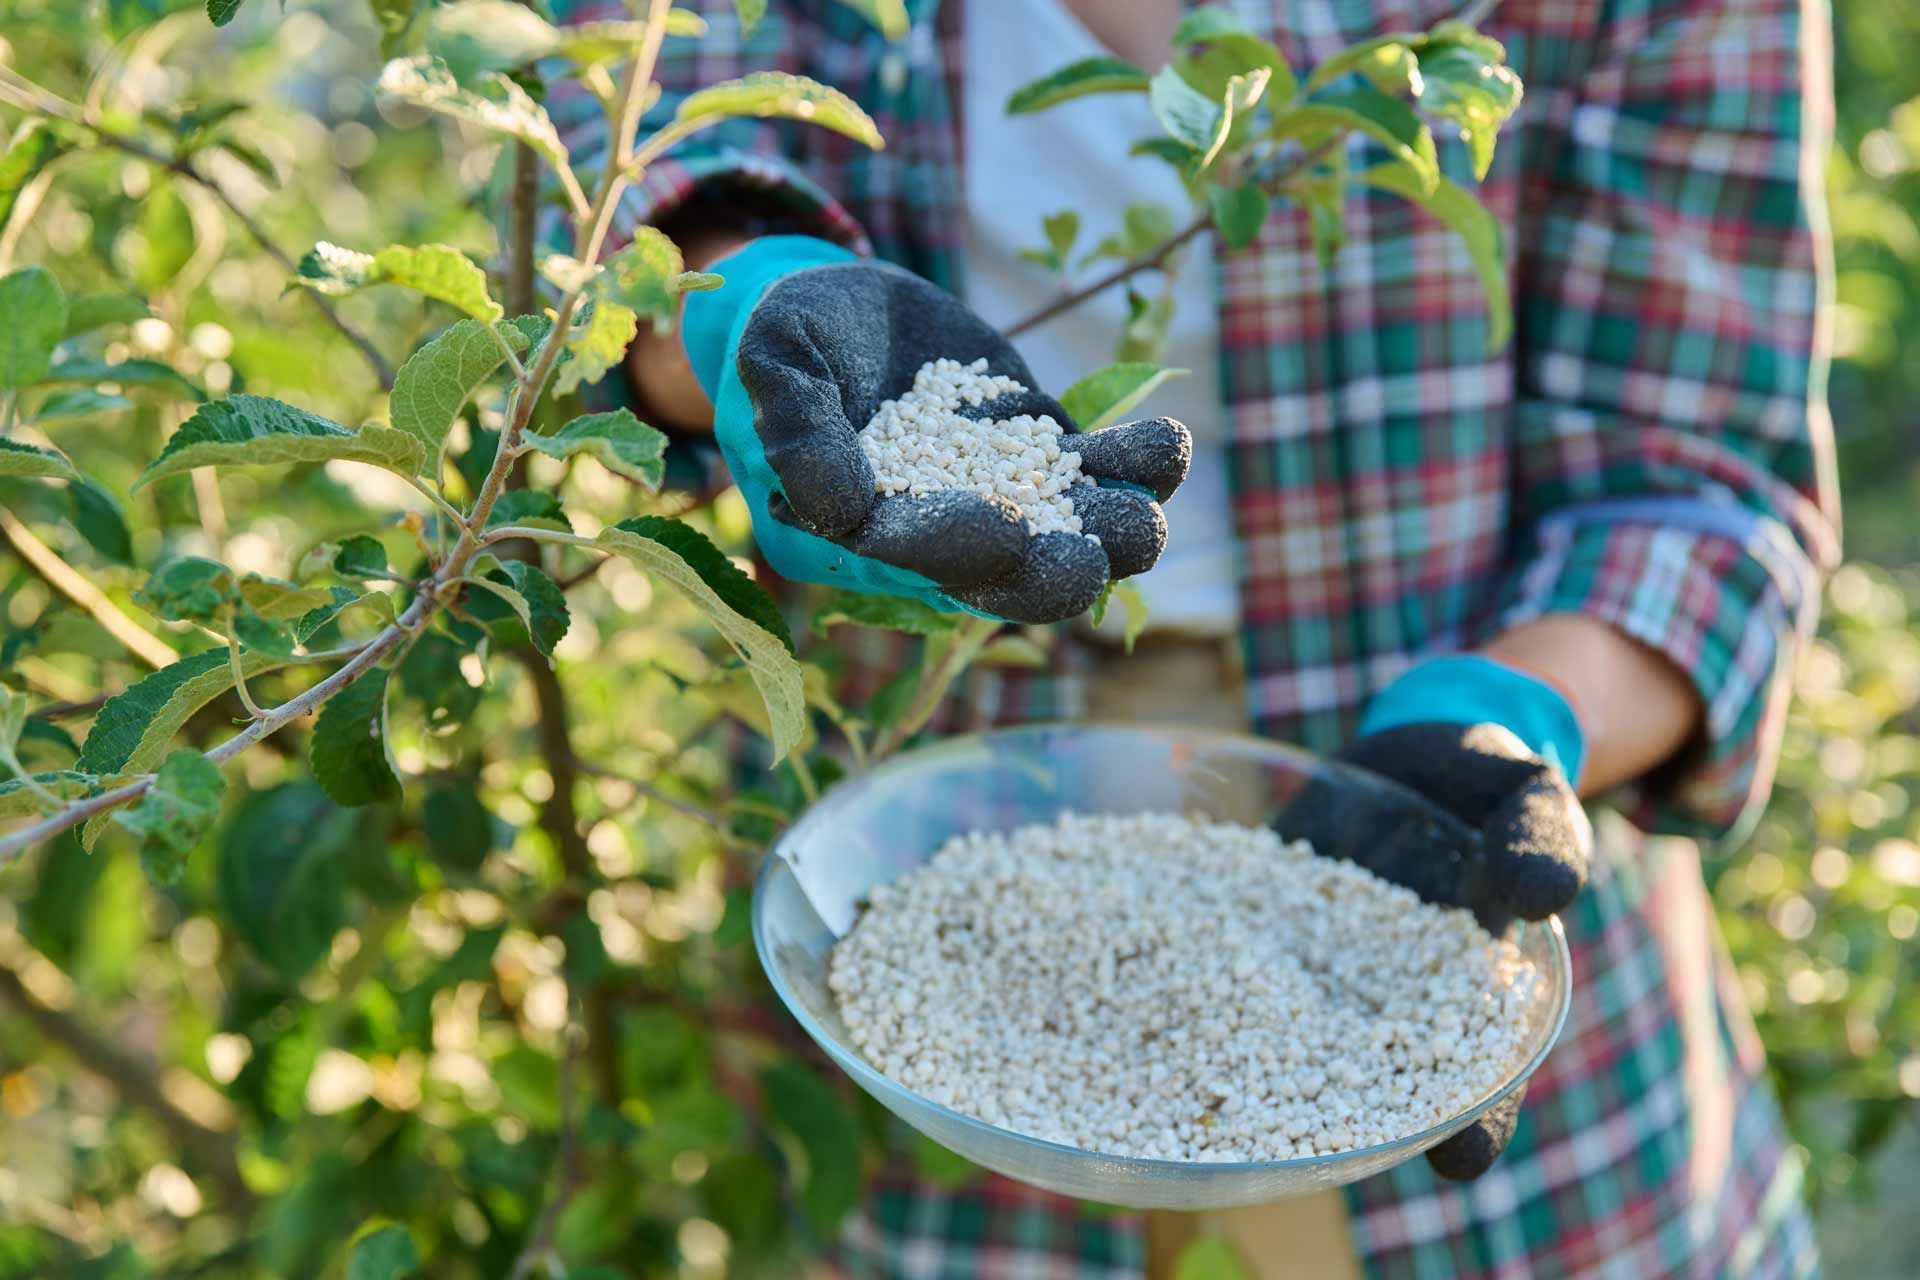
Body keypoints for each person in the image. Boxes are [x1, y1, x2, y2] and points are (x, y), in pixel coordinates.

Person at [549, 0, 1840, 1275]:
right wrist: (738, 310)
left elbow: (1698, 484)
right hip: (914, 832)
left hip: (1427, 829)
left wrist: (1519, 713)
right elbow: (642, 151)